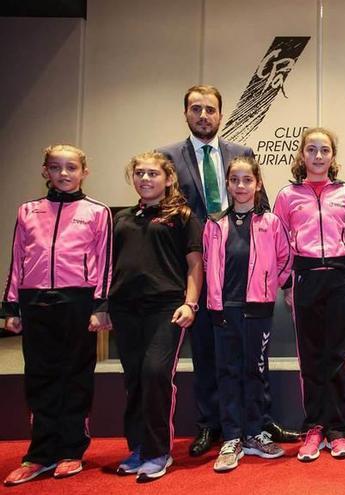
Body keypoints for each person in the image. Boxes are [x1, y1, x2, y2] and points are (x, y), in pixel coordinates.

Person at [157, 85, 295, 457]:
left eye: (211, 110)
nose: (204, 116)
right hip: (199, 271)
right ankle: (212, 425)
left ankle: (259, 424)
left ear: (220, 113)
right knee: (207, 355)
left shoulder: (240, 154)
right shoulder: (167, 156)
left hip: (244, 275)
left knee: (253, 361)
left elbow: (263, 216)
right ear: (186, 112)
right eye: (196, 109)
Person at [1, 145, 112, 485]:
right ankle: (40, 453)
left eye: (71, 167)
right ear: (45, 171)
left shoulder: (97, 212)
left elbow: (106, 262)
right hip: (35, 303)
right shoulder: (27, 211)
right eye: (56, 167)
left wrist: (101, 305)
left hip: (77, 301)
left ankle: (71, 450)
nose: (64, 174)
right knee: (39, 376)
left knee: (75, 376)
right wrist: (11, 306)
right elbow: (17, 259)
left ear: (84, 172)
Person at [110, 152, 204, 481]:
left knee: (154, 374)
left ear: (167, 179)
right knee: (134, 379)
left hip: (166, 308)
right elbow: (112, 267)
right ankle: (138, 448)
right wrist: (104, 307)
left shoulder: (182, 216)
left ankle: (158, 451)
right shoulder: (121, 219)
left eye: (153, 173)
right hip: (124, 310)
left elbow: (195, 264)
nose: (145, 179)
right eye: (139, 173)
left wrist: (190, 303)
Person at [273, 127, 345, 462]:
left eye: (324, 150)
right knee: (310, 357)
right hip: (305, 277)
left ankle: (337, 431)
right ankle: (314, 428)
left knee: (337, 357)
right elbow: (279, 244)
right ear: (301, 155)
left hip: (341, 277)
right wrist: (287, 284)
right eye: (311, 149)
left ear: (333, 156)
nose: (318, 156)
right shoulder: (287, 195)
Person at [204, 156, 291, 472]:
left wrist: (273, 286)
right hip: (224, 310)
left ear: (257, 184)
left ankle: (255, 433)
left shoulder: (270, 223)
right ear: (227, 184)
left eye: (247, 180)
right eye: (235, 180)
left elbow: (285, 259)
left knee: (256, 372)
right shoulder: (214, 224)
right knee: (228, 372)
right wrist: (216, 299)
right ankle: (231, 438)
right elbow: (206, 265)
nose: (241, 186)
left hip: (259, 310)